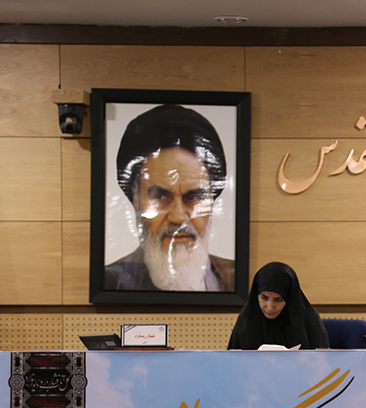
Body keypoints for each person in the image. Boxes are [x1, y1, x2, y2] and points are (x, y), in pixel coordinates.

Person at [105, 104, 235, 292]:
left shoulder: (237, 279)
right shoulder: (111, 283)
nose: (178, 217)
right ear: (135, 198)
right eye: (160, 196)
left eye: (194, 197)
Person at [228, 262, 329, 350]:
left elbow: (322, 361)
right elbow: (233, 360)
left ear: (289, 299)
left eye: (278, 300)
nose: (270, 307)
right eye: (264, 298)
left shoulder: (308, 319)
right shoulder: (247, 319)